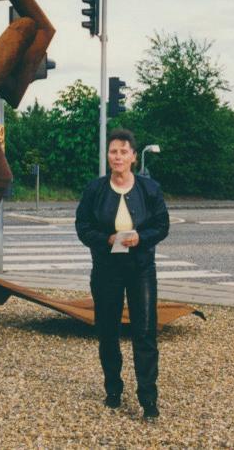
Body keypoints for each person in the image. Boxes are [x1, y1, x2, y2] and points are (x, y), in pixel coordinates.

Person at [75, 129, 169, 420]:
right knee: (108, 331)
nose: (118, 157)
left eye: (123, 152)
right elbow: (82, 227)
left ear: (133, 157)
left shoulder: (149, 188)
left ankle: (148, 399)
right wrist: (106, 239)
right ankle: (113, 390)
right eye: (113, 151)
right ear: (108, 156)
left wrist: (141, 238)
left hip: (141, 268)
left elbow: (162, 225)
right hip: (107, 268)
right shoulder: (95, 190)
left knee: (145, 331)